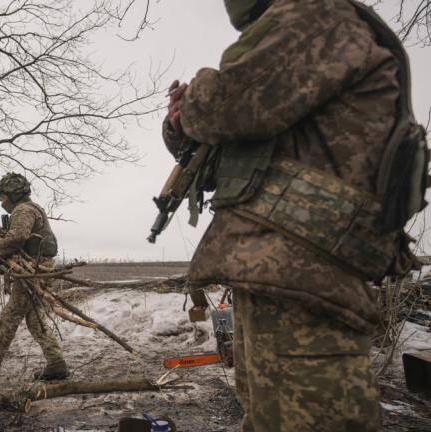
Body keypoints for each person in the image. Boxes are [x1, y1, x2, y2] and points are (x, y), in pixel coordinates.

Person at [162, 1, 426, 430]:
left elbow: (229, 105)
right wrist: (180, 124)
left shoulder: (314, 17)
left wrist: (198, 95)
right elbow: (226, 161)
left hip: (305, 274)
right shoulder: (308, 27)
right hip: (279, 273)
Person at [0, 173, 69, 380]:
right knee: (34, 318)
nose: (2, 202)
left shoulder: (23, 210)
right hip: (38, 268)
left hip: (34, 270)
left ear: (13, 194)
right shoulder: (32, 208)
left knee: (11, 314)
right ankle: (57, 363)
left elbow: (17, 237)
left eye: (3, 197)